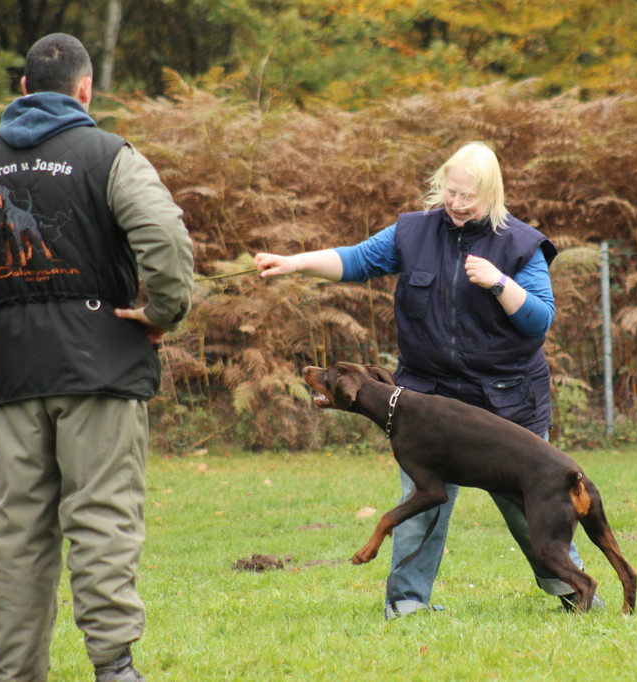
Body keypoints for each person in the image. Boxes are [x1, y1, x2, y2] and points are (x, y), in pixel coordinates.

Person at [0, 33, 194, 681]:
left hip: (18, 372)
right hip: (104, 368)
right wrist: (160, 313)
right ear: (86, 91)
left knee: (20, 535)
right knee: (101, 517)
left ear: (24, 90)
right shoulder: (109, 154)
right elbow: (165, 237)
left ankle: (17, 674)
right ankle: (114, 667)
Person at [255, 141, 597, 619]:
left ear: (491, 195)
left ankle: (573, 591)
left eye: (468, 197)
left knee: (529, 505)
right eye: (450, 192)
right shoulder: (413, 232)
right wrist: (295, 263)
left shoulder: (520, 244)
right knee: (421, 500)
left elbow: (538, 322)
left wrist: (501, 283)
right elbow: (355, 260)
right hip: (427, 401)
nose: (456, 205)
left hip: (504, 405)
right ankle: (408, 603)